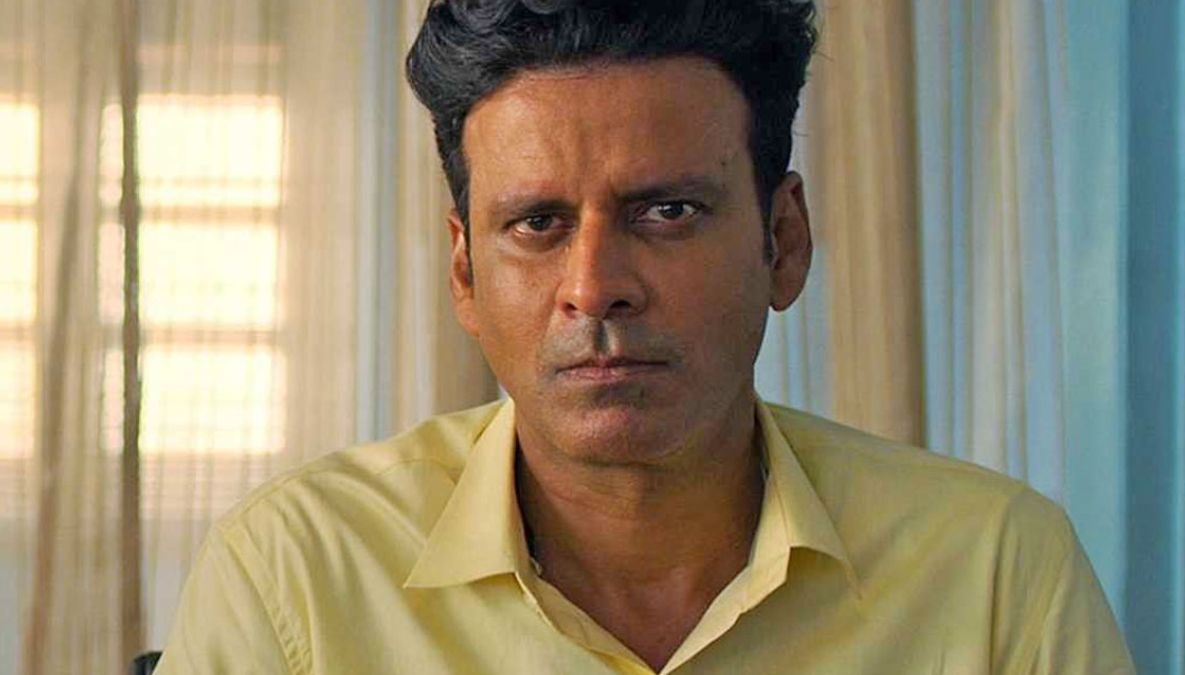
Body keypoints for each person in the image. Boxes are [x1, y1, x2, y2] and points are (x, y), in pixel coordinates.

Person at [156, 1, 1134, 673]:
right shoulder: (299, 576)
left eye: (667, 211)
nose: (595, 289)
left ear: (784, 241)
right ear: (464, 271)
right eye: (537, 223)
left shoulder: (993, 574)